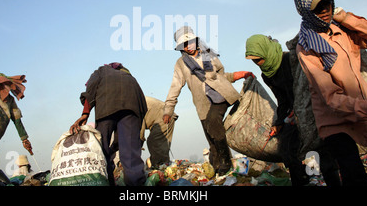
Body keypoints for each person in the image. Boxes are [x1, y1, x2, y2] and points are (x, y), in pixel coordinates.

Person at [293, 0, 367, 186]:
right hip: (335, 119)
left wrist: (346, 18)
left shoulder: (342, 30)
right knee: (354, 174)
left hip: (364, 109)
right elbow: (332, 98)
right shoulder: (307, 47)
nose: (324, 11)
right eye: (317, 8)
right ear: (305, 11)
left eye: (327, 4)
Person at [245, 34, 340, 186]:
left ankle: (329, 180)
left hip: (312, 109)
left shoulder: (291, 60)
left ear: (266, 51)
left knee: (319, 149)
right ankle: (303, 181)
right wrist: (278, 123)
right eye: (254, 61)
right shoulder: (267, 74)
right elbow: (282, 99)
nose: (257, 63)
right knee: (288, 149)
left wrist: (301, 109)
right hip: (292, 114)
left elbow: (310, 86)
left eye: (258, 59)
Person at [163, 26, 254, 175]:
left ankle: (225, 160)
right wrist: (168, 110)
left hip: (221, 95)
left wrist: (239, 75)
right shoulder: (181, 63)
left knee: (213, 121)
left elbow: (221, 76)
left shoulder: (208, 54)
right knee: (212, 140)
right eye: (184, 45)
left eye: (191, 42)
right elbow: (175, 87)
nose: (189, 46)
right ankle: (219, 171)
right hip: (203, 103)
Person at [69, 62, 148, 186]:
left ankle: (106, 183)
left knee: (102, 151)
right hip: (132, 106)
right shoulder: (128, 76)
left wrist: (85, 113)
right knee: (131, 153)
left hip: (107, 105)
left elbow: (91, 88)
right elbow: (142, 105)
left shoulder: (101, 70)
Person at [141, 96, 178, 168]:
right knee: (153, 142)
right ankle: (155, 165)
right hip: (158, 117)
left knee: (156, 142)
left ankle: (161, 170)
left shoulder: (132, 106)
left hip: (165, 116)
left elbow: (138, 131)